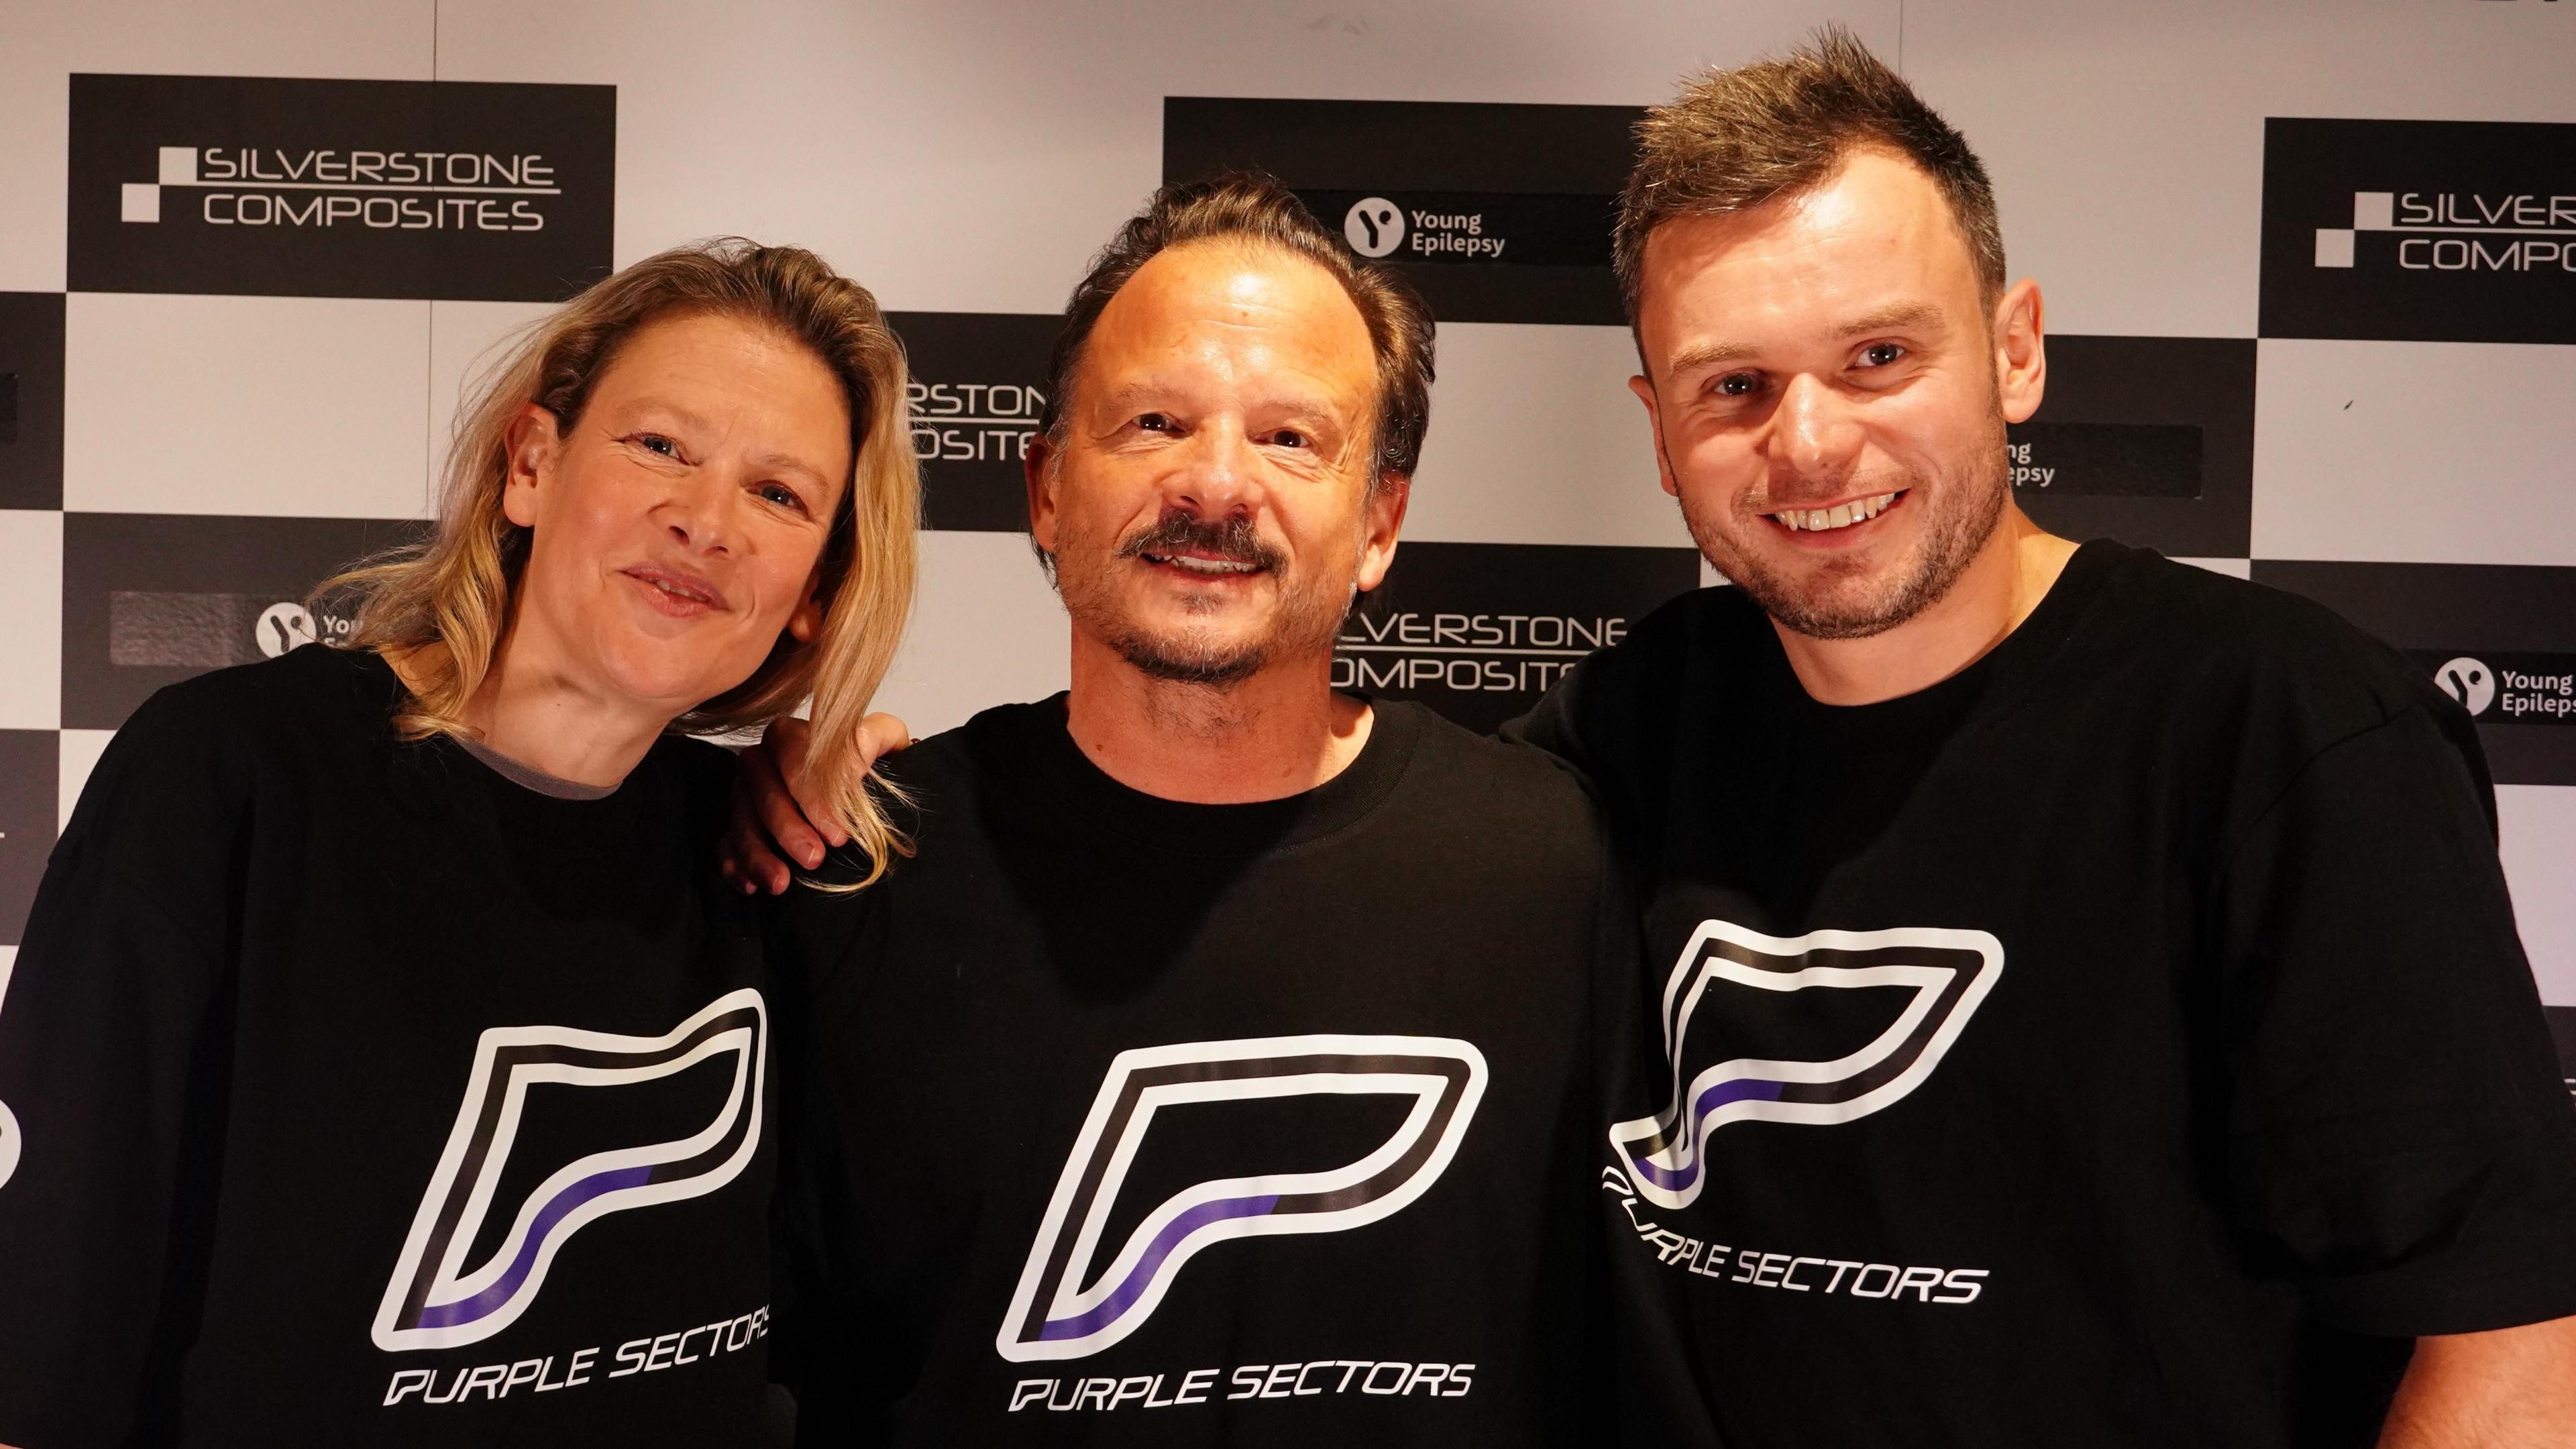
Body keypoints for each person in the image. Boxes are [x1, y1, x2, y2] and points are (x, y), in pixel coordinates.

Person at [1512, 28, 2576, 1448]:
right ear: (1660, 430)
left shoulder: (2287, 733)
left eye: (1879, 356)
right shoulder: (1633, 718)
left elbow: (2512, 1342)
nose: (1809, 444)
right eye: (1735, 386)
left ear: (2015, 353)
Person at [0, 239, 919, 1447]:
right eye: (661, 446)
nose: (705, 522)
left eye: (779, 494)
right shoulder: (236, 774)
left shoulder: (773, 857)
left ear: (816, 589)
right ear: (531, 464)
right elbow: (45, 1328)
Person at [758, 177, 1623, 1446]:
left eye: (1290, 439)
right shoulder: (853, 866)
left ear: (1380, 523)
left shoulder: (1555, 871)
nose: (1215, 483)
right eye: (1154, 422)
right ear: (1046, 488)